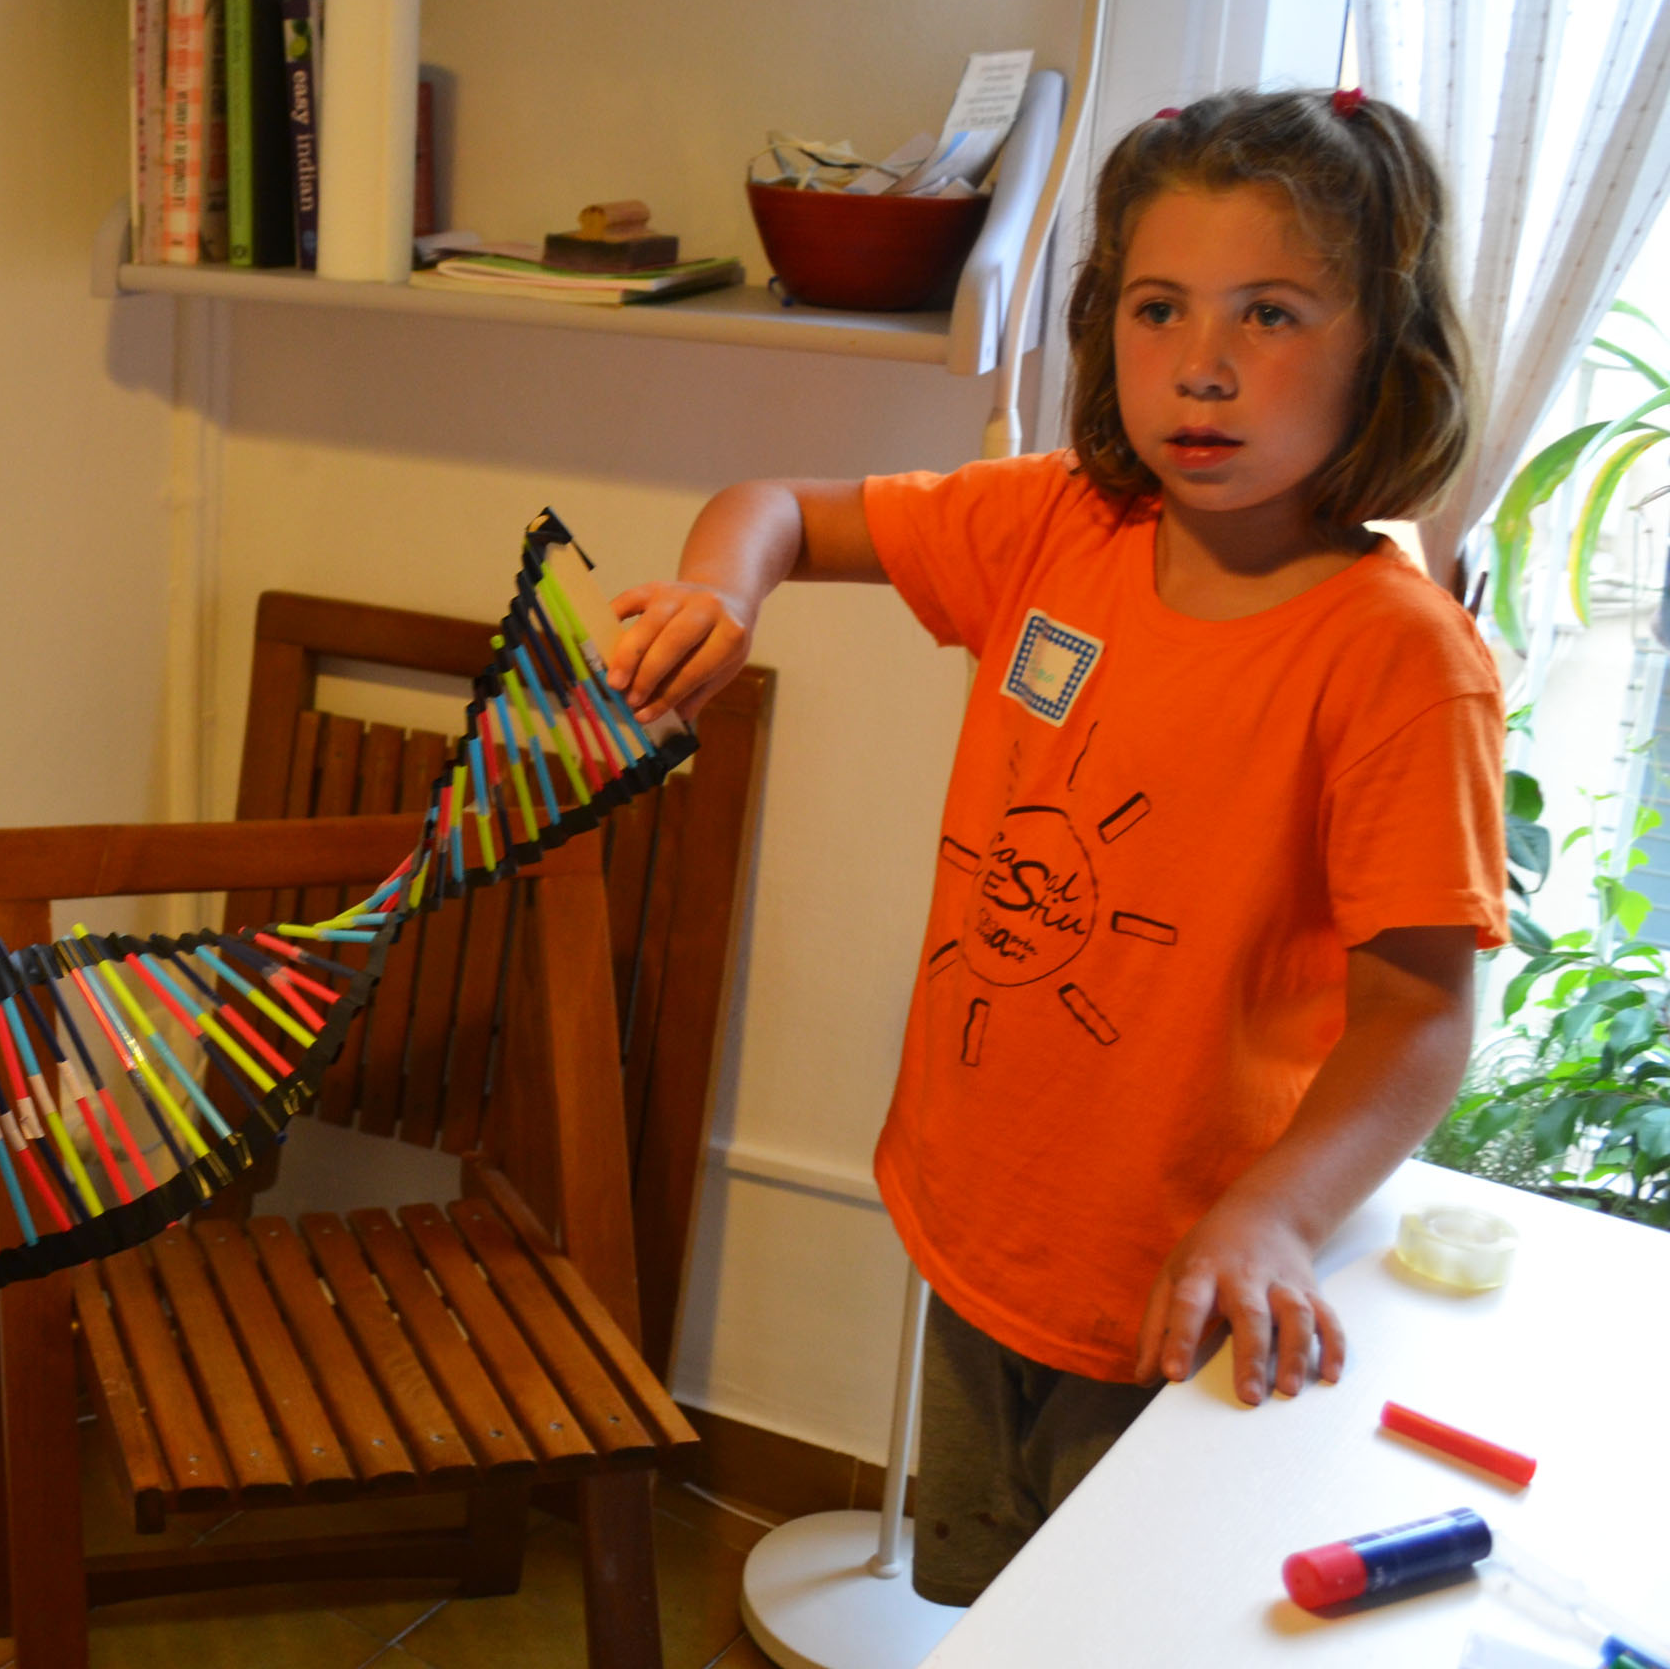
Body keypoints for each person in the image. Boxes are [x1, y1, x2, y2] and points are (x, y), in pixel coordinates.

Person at [604, 87, 1504, 1604]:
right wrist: (721, 589)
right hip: (981, 1229)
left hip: (1191, 1283)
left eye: (1271, 312)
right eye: (1158, 308)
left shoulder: (1400, 660)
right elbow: (772, 507)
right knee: (987, 1612)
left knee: (1121, 1625)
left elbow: (1419, 1013)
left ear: (1386, 351)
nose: (1202, 364)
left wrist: (1271, 1217)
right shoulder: (1056, 525)